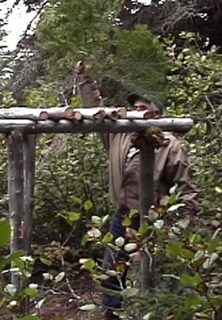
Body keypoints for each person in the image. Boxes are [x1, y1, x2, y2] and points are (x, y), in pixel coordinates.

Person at [74, 61, 200, 320]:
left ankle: (156, 313)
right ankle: (112, 316)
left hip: (155, 221)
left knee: (154, 275)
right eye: (135, 107)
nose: (136, 112)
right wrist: (85, 80)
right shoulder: (118, 135)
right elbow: (95, 109)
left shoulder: (169, 144)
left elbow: (187, 188)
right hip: (123, 218)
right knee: (111, 273)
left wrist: (183, 224)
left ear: (155, 114)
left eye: (143, 108)